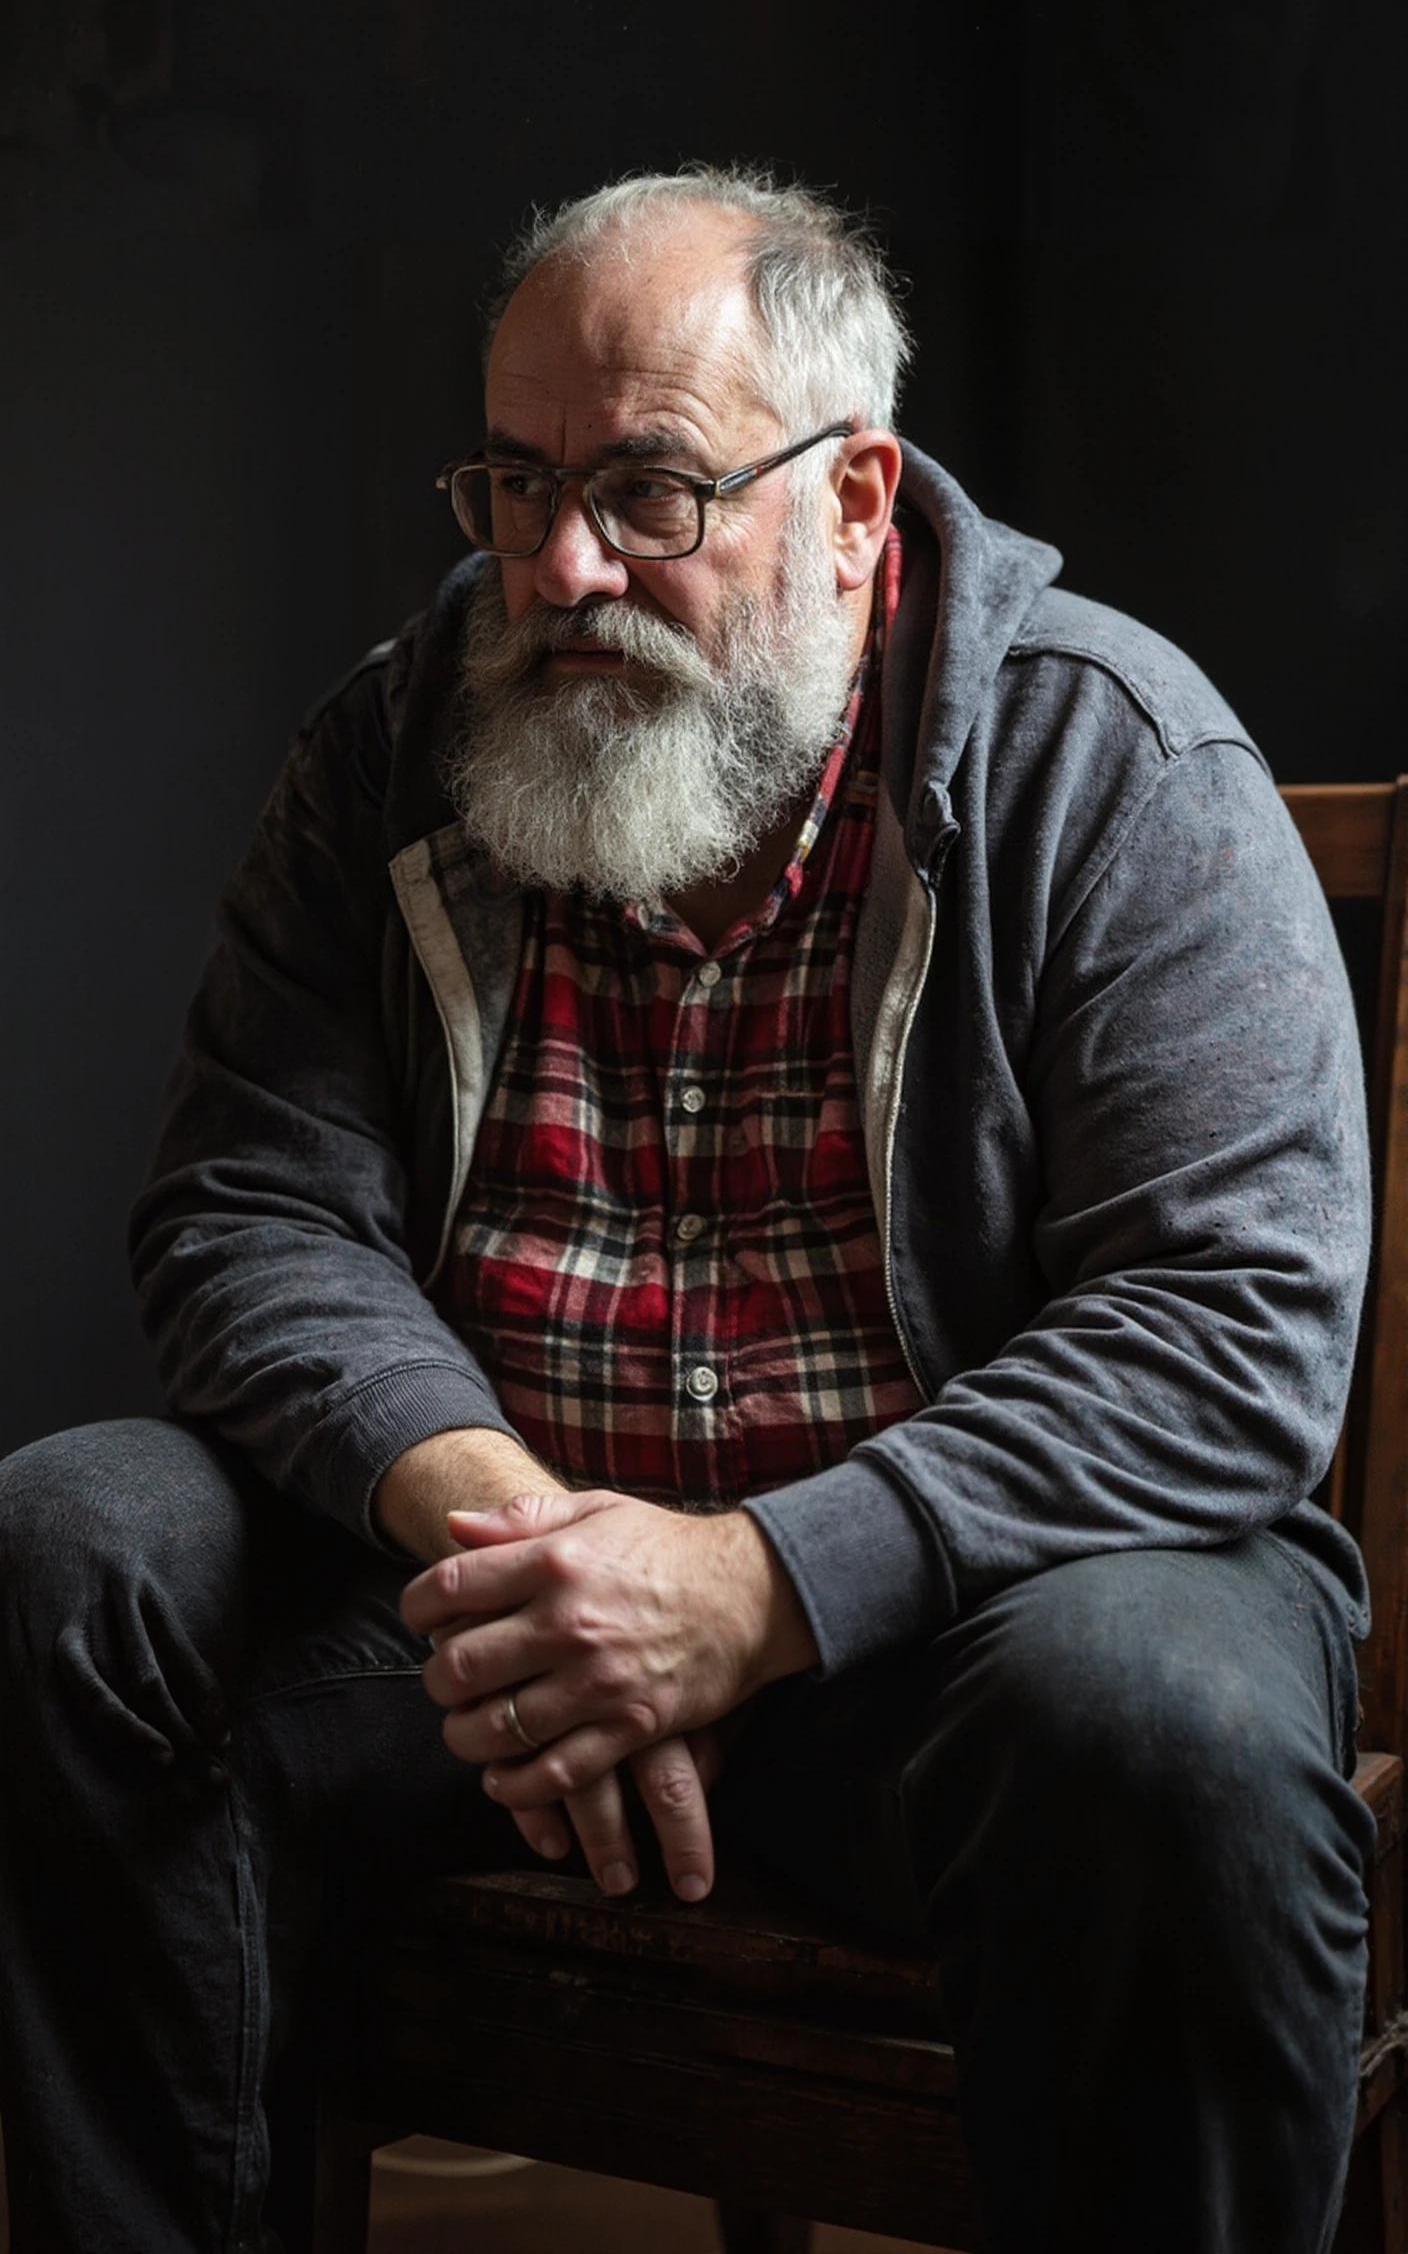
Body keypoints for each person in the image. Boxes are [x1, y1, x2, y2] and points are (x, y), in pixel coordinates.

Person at [0, 168, 1374, 2254]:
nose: (557, 568)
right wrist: (518, 1559)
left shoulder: (1111, 763)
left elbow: (1228, 1331)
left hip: (946, 1658)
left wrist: (749, 1590)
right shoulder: (395, 751)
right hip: (486, 1636)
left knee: (1159, 1717)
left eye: (652, 490)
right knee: (70, 1550)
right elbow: (243, 1215)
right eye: (513, 483)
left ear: (850, 500)